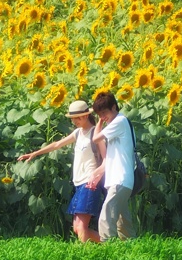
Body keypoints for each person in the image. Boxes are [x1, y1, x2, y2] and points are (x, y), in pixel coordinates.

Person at [18, 99, 106, 243]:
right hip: (79, 183)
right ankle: (109, 244)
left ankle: (84, 257)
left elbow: (105, 158)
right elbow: (57, 144)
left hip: (90, 183)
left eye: (75, 118)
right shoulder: (78, 133)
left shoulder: (95, 133)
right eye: (72, 119)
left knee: (82, 226)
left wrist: (97, 176)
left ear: (85, 116)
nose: (73, 122)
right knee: (77, 228)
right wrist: (35, 153)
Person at [88, 91, 136, 242]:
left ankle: (108, 252)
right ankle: (133, 249)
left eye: (104, 113)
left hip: (120, 180)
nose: (103, 117)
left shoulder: (119, 122)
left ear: (114, 107)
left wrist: (99, 122)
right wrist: (97, 173)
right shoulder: (119, 124)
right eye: (99, 114)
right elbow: (112, 158)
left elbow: (96, 138)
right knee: (123, 222)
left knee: (106, 218)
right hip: (120, 180)